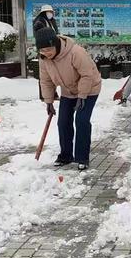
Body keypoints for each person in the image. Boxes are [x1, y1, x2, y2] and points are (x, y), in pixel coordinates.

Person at [36, 27, 101, 171]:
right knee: (63, 122)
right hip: (68, 90)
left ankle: (82, 157)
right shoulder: (44, 59)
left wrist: (82, 96)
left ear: (56, 44)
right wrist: (49, 101)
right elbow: (46, 80)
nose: (46, 53)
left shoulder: (75, 52)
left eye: (48, 49)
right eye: (42, 50)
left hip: (89, 88)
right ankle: (66, 155)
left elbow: (87, 75)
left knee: (82, 120)